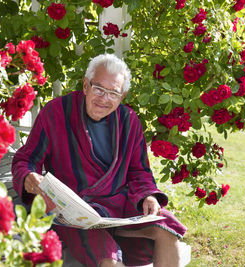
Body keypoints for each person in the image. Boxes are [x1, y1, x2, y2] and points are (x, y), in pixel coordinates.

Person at [12, 54, 187, 267]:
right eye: (98, 89)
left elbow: (139, 171)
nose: (104, 98)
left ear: (122, 96)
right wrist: (29, 177)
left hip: (118, 208)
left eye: (113, 92)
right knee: (109, 258)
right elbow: (26, 159)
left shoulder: (129, 121)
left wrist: (148, 196)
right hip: (76, 215)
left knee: (167, 230)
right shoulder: (55, 113)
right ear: (85, 85)